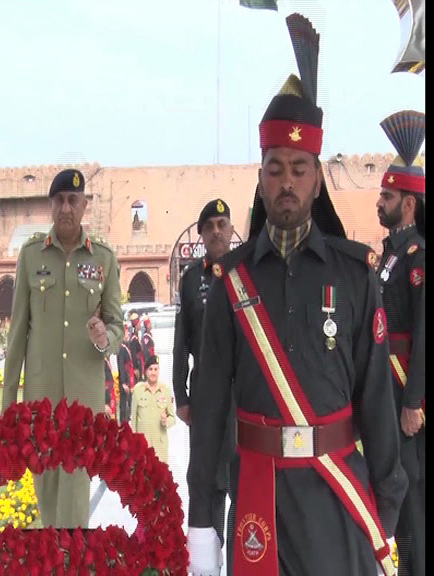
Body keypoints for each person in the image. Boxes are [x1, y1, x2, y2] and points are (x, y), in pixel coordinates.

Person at [186, 15, 407, 576]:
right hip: (259, 502)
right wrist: (202, 519)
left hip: (337, 501)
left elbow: (377, 399)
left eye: (300, 169)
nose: (287, 181)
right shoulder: (231, 278)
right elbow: (209, 406)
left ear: (316, 179)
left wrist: (388, 504)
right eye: (276, 168)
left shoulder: (355, 276)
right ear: (261, 176)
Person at [2, 167, 123, 529]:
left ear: (85, 205)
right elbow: (17, 335)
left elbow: (117, 323)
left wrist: (105, 337)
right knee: (47, 498)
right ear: (50, 206)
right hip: (41, 403)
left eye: (73, 200)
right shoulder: (31, 256)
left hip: (83, 405)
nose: (66, 208)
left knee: (73, 504)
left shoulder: (103, 258)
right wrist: (10, 407)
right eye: (59, 201)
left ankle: (68, 562)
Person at [375, 109, 426, 576]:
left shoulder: (417, 256)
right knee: (395, 493)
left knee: (414, 504)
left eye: (387, 196)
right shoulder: (390, 251)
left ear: (408, 203)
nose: (380, 202)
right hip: (385, 395)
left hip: (407, 395)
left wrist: (414, 401)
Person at [172, 198, 235, 547]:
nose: (216, 231)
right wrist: (181, 396)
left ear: (231, 229)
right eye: (209, 226)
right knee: (204, 479)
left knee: (240, 478)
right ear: (200, 235)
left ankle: (241, 564)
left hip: (244, 393)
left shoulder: (247, 272)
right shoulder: (191, 278)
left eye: (221, 224)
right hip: (206, 393)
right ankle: (205, 562)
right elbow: (182, 340)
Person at [130, 355, 175, 464]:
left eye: (155, 369)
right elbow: (134, 419)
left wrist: (166, 422)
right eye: (150, 369)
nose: (153, 373)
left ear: (159, 371)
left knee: (159, 478)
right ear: (146, 372)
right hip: (143, 445)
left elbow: (172, 418)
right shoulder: (138, 390)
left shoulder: (165, 391)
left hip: (160, 447)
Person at [117, 324, 135, 424]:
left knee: (127, 400)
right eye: (126, 333)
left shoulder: (126, 347)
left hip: (128, 378)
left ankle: (126, 418)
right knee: (123, 402)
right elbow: (121, 366)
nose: (127, 335)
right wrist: (123, 382)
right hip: (124, 380)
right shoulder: (122, 349)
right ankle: (123, 419)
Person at [128, 311, 144, 380]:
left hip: (140, 363)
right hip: (137, 364)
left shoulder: (136, 336)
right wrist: (135, 368)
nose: (140, 325)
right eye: (139, 323)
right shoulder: (134, 339)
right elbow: (133, 354)